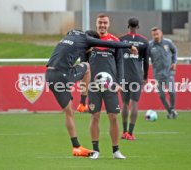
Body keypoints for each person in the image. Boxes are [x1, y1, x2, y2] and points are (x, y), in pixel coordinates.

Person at [45, 29, 137, 157]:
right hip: (63, 74)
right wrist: (129, 46)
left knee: (69, 112)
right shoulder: (86, 39)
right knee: (87, 67)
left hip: (49, 75)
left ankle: (76, 146)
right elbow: (112, 44)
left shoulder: (70, 35)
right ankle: (83, 102)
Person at [85, 13, 126, 159]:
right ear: (96, 24)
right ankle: (95, 150)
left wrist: (119, 83)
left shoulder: (115, 41)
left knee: (113, 117)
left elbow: (120, 63)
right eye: (100, 23)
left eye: (105, 23)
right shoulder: (89, 41)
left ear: (108, 24)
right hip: (93, 86)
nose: (102, 25)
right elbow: (84, 63)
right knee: (95, 116)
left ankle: (116, 151)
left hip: (111, 86)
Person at [119, 18, 149, 140]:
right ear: (138, 26)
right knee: (134, 103)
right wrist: (145, 76)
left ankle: (124, 132)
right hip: (137, 76)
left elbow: (117, 58)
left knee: (125, 103)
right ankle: (130, 133)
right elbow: (146, 61)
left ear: (128, 26)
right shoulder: (144, 41)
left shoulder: (121, 40)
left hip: (124, 75)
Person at [149, 27, 178, 119]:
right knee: (161, 95)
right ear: (152, 35)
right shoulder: (150, 45)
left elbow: (174, 51)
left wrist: (174, 62)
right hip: (157, 75)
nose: (156, 36)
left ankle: (172, 109)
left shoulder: (168, 43)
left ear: (161, 33)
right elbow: (145, 57)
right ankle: (170, 112)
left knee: (171, 91)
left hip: (168, 73)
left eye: (157, 34)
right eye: (154, 35)